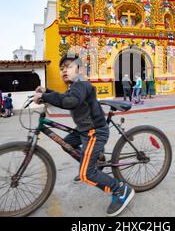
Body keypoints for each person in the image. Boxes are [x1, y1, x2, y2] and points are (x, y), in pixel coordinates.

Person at [32, 53, 135, 217]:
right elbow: (66, 97)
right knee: (66, 144)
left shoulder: (81, 84)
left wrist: (44, 96)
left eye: (70, 66)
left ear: (79, 70)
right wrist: (47, 91)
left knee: (86, 174)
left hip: (94, 131)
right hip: (84, 130)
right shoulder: (73, 86)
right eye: (62, 68)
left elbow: (71, 101)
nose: (65, 70)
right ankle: (93, 163)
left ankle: (120, 189)